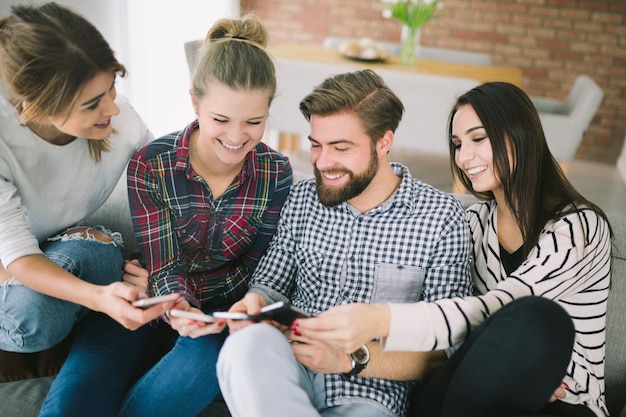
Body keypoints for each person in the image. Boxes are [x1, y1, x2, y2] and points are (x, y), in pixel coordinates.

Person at [294, 82, 613, 417]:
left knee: (536, 316)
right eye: (457, 144)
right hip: (477, 385)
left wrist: (379, 319)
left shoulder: (579, 227)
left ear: (521, 135)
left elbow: (494, 309)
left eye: (478, 139)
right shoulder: (471, 222)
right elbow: (455, 324)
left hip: (563, 399)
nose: (463, 157)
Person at [216, 69, 473, 417]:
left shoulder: (442, 218)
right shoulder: (302, 197)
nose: (322, 162)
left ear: (384, 142)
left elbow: (444, 348)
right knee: (242, 347)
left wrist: (347, 358)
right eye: (316, 145)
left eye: (341, 148)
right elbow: (271, 284)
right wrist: (253, 303)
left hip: (368, 392)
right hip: (287, 364)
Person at [114, 14, 293, 417]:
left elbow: (255, 269)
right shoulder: (150, 164)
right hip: (153, 305)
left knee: (204, 354)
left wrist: (202, 312)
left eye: (254, 122)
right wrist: (179, 303)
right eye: (221, 120)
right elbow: (164, 265)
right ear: (195, 102)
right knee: (78, 395)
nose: (235, 138)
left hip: (217, 324)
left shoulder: (276, 173)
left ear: (269, 112)